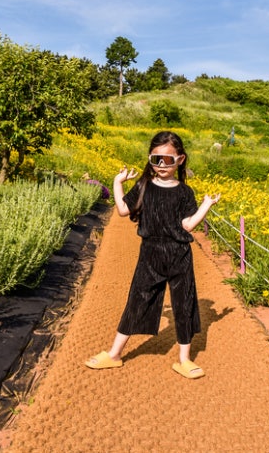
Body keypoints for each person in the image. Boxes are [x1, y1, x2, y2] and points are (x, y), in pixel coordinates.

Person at [85, 130, 220, 379]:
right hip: (150, 252)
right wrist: (117, 183)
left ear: (180, 159)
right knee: (138, 300)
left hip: (179, 254)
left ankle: (184, 359)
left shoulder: (184, 192)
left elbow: (188, 225)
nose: (161, 165)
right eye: (155, 159)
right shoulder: (144, 186)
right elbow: (124, 210)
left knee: (184, 303)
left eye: (167, 160)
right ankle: (114, 355)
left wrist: (205, 206)